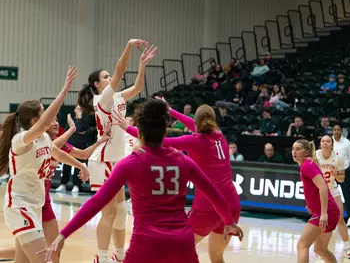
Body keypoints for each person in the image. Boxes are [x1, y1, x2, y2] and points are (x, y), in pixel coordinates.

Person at [44, 99, 243, 263]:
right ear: (165, 131)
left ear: (139, 133)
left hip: (146, 242)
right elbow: (215, 195)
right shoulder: (185, 161)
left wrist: (64, 234)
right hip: (181, 243)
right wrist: (228, 222)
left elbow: (97, 202)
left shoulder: (130, 163)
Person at [0, 66, 91, 263]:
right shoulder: (21, 139)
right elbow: (41, 126)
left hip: (35, 205)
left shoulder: (45, 140)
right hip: (20, 206)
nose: (50, 116)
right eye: (44, 112)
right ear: (35, 120)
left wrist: (82, 166)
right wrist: (64, 91)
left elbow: (60, 155)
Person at [114, 99, 242, 263]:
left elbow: (157, 140)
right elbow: (192, 123)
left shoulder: (194, 141)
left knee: (173, 252)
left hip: (209, 207)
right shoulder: (219, 135)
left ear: (196, 123)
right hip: (232, 205)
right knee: (216, 258)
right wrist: (171, 110)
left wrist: (127, 128)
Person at [0, 114, 109, 263]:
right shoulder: (36, 144)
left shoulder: (57, 144)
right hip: (26, 202)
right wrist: (72, 130)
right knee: (27, 254)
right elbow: (53, 146)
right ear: (40, 124)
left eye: (57, 119)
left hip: (44, 203)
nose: (56, 123)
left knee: (54, 248)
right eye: (52, 120)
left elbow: (84, 154)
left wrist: (100, 141)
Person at [76, 39, 157, 263]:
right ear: (96, 85)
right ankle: (102, 258)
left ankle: (120, 256)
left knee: (121, 212)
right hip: (103, 161)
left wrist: (142, 65)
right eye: (105, 76)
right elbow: (120, 70)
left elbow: (139, 88)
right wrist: (129, 47)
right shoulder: (101, 99)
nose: (109, 77)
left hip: (116, 160)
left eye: (108, 75)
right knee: (110, 213)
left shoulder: (118, 97)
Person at [292, 139, 339, 263]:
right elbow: (313, 189)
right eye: (293, 149)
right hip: (331, 210)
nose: (294, 152)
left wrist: (324, 213)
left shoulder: (308, 165)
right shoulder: (306, 164)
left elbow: (323, 186)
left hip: (326, 211)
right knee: (320, 249)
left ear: (306, 152)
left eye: (298, 149)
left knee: (302, 245)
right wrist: (310, 204)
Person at [315, 136, 350, 258]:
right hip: (319, 191)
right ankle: (320, 249)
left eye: (328, 141)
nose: (325, 143)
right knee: (320, 221)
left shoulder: (339, 158)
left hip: (332, 190)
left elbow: (341, 179)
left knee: (340, 219)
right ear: (320, 144)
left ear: (332, 144)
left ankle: (347, 247)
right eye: (323, 141)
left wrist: (336, 174)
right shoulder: (315, 155)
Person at [332, 123, 350, 227]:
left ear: (341, 131)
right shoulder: (329, 141)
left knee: (347, 195)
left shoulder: (347, 142)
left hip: (344, 170)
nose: (336, 131)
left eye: (338, 129)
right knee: (330, 195)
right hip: (332, 171)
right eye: (334, 129)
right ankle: (331, 217)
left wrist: (342, 166)